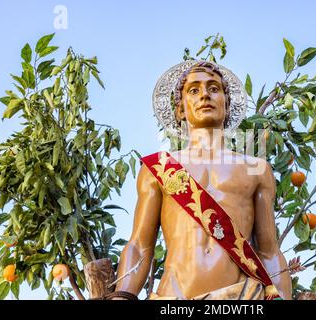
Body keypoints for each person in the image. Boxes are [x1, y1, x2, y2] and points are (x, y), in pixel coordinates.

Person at [113, 61, 292, 300]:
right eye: (194, 90)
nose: (205, 95)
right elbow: (140, 246)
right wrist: (122, 296)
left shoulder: (256, 169)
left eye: (214, 88)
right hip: (174, 298)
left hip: (242, 296)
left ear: (227, 105)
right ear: (180, 109)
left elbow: (269, 251)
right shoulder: (158, 169)